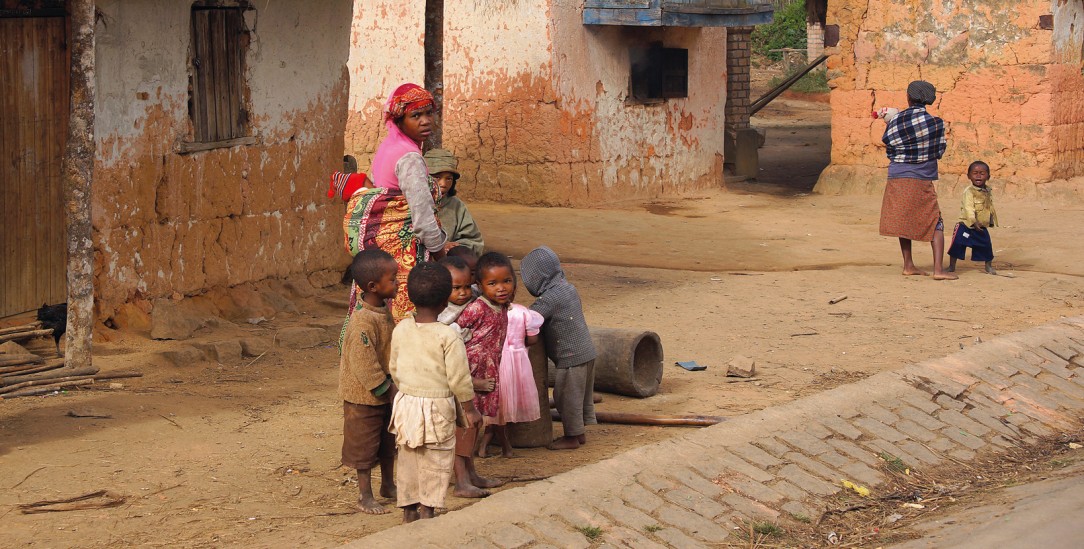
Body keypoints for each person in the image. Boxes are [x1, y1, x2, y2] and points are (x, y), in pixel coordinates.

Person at [343, 83, 448, 322]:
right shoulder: (409, 157)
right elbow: (422, 220)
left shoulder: (389, 146)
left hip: (380, 253)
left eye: (428, 113)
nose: (425, 121)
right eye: (415, 115)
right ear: (399, 120)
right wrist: (444, 257)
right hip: (404, 255)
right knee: (407, 320)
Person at [387, 262, 481, 523]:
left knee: (408, 456)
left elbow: (394, 367)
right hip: (437, 405)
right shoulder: (448, 336)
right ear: (444, 302)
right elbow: (459, 378)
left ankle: (408, 510)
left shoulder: (402, 329)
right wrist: (470, 409)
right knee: (436, 459)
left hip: (406, 404)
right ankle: (428, 510)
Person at [338, 249, 399, 514]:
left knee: (388, 442)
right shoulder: (362, 321)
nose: (398, 283)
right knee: (364, 448)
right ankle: (365, 495)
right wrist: (386, 388)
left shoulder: (382, 310)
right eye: (393, 279)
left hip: (385, 392)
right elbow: (363, 362)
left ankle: (388, 484)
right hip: (364, 396)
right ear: (373, 286)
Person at [878, 80, 958, 281]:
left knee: (903, 219)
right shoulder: (936, 123)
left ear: (908, 97)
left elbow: (888, 144)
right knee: (935, 221)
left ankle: (908, 265)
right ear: (929, 100)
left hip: (897, 176)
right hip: (922, 178)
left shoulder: (895, 120)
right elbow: (939, 151)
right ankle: (938, 270)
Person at [520, 246, 598, 450]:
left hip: (571, 357)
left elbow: (529, 318)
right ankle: (579, 432)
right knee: (582, 395)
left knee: (566, 398)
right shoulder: (568, 288)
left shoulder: (550, 298)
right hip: (587, 352)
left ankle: (572, 437)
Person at [453, 253, 513, 490]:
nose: (501, 288)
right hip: (470, 374)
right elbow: (453, 335)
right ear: (480, 285)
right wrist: (470, 379)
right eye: (492, 283)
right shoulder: (477, 308)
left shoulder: (502, 307)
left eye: (506, 281)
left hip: (488, 372)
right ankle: (461, 480)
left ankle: (471, 474)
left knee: (475, 425)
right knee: (466, 424)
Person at [484, 299, 543, 457]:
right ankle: (505, 448)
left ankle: (485, 447)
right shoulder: (523, 312)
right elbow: (532, 339)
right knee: (504, 409)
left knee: (498, 408)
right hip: (517, 362)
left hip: (494, 361)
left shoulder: (486, 311)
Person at [424, 149, 484, 256]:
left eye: (449, 179)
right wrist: (438, 246)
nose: (443, 183)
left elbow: (474, 241)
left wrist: (454, 247)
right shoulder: (410, 204)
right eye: (437, 177)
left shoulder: (456, 206)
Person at [948, 161, 999, 275]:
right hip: (966, 225)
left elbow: (989, 206)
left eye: (982, 173)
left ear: (988, 176)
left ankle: (988, 266)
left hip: (980, 226)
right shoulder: (969, 192)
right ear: (969, 176)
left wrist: (990, 220)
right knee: (957, 245)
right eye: (975, 173)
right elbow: (968, 208)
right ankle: (951, 266)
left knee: (986, 245)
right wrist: (973, 222)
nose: (978, 175)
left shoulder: (987, 191)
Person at [437, 256, 476, 341]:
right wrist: (467, 332)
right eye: (456, 288)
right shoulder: (442, 309)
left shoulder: (474, 293)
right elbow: (444, 331)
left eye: (467, 286)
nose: (463, 293)